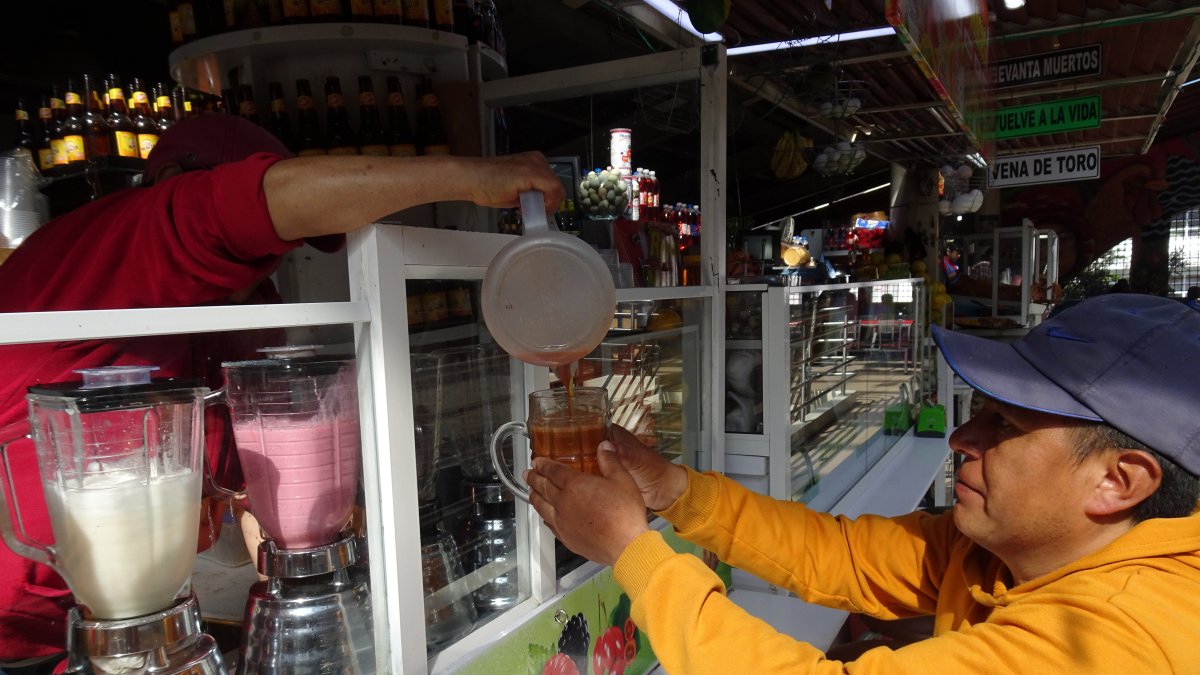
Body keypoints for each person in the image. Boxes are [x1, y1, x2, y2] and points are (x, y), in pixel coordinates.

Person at [0, 114, 564, 670]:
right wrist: (473, 176)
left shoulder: (246, 309)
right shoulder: (124, 238)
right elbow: (248, 206)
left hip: (143, 624)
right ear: (172, 177)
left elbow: (252, 489)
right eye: (259, 238)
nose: (265, 260)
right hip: (22, 629)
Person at [526, 293, 1200, 673]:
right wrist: (675, 489)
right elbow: (843, 555)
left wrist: (632, 551)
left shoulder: (1114, 644)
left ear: (1119, 481)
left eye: (1005, 426)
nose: (964, 439)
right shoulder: (1013, 547)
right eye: (977, 412)